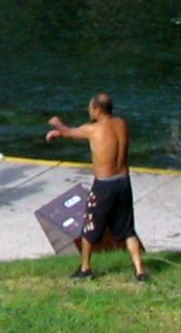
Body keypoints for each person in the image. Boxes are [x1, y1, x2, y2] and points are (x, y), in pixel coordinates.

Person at [46, 93, 149, 282]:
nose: (88, 111)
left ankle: (85, 269)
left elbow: (70, 131)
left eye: (90, 107)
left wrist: (57, 123)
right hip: (123, 181)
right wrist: (61, 132)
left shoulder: (93, 129)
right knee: (128, 229)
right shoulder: (121, 124)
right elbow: (86, 133)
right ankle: (140, 271)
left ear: (97, 109)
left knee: (90, 227)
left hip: (104, 185)